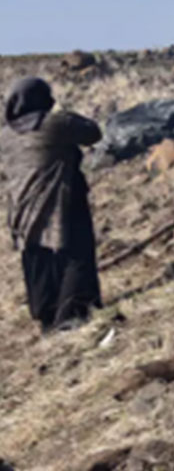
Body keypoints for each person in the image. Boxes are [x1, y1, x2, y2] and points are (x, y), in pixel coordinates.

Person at [1, 78, 102, 334]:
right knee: (76, 254)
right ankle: (70, 314)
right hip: (59, 200)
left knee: (37, 257)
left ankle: (46, 315)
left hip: (21, 206)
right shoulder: (54, 123)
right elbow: (93, 132)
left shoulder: (5, 135)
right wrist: (61, 110)